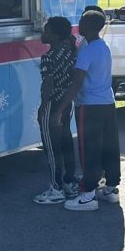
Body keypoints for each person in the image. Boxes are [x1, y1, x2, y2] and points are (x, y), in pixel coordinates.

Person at [59, 10, 121, 212]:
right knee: (109, 147)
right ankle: (111, 188)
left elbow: (77, 81)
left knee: (89, 150)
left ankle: (87, 195)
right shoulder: (103, 47)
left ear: (91, 27)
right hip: (107, 103)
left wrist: (59, 109)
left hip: (89, 105)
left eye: (82, 22)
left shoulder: (87, 50)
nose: (79, 25)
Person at [34, 16, 80, 204]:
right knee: (66, 142)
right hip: (66, 102)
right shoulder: (70, 52)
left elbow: (48, 84)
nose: (43, 34)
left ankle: (56, 187)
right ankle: (70, 182)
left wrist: (43, 107)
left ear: (54, 35)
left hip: (52, 103)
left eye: (47, 31)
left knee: (52, 147)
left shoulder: (48, 57)